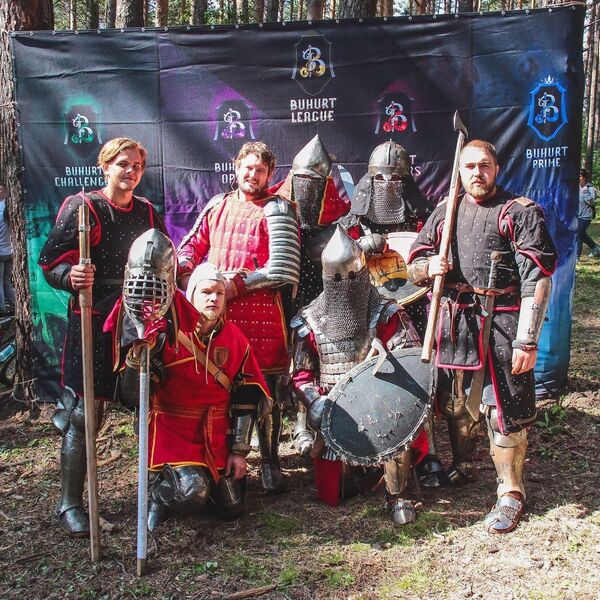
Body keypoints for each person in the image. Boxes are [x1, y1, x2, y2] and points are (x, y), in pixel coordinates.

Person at [407, 139, 557, 533]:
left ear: (496, 168)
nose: (477, 172)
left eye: (484, 165)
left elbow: (538, 280)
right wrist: (428, 267)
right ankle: (464, 466)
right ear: (460, 171)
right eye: (469, 166)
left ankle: (511, 492)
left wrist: (527, 340)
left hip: (503, 324)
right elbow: (414, 262)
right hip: (455, 322)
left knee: (502, 411)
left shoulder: (519, 212)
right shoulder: (447, 211)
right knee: (456, 403)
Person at [38, 137, 166, 537]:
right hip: (93, 318)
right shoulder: (83, 207)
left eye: (137, 166)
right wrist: (71, 276)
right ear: (106, 166)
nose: (130, 171)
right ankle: (70, 503)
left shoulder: (147, 212)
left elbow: (163, 260)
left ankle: (158, 492)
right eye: (123, 164)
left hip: (137, 321)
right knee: (85, 414)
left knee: (148, 403)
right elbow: (49, 263)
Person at [177, 141, 301, 493]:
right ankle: (221, 458)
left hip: (261, 312)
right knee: (220, 387)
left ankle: (271, 460)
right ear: (236, 168)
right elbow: (192, 245)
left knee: (267, 389)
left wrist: (235, 285)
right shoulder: (218, 205)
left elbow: (282, 268)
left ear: (270, 174)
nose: (253, 175)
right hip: (219, 314)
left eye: (260, 170)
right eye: (248, 168)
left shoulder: (278, 208)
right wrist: (187, 274)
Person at [114, 260, 271, 530]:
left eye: (219, 293)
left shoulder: (235, 339)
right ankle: (158, 493)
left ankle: (199, 483)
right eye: (206, 292)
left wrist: (239, 452)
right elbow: (132, 395)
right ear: (191, 295)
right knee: (192, 491)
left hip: (215, 435)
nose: (214, 298)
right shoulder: (165, 334)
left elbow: (246, 396)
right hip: (172, 432)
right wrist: (137, 359)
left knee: (232, 506)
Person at [291, 225, 428, 525]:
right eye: (339, 278)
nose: (347, 283)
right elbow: (301, 375)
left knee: (395, 431)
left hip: (382, 406)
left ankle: (398, 496)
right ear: (327, 278)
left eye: (353, 276)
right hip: (336, 412)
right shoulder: (310, 319)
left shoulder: (387, 312)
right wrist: (317, 404)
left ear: (364, 273)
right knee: (337, 489)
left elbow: (410, 363)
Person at [340, 141, 445, 487]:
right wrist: (359, 247)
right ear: (370, 180)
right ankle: (371, 449)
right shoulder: (353, 222)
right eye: (381, 178)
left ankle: (427, 455)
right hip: (366, 310)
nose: (388, 184)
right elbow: (334, 261)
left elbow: (434, 256)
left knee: (419, 374)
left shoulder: (422, 218)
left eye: (395, 178)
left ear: (405, 181)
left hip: (413, 306)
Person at [269, 135, 350, 456]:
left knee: (309, 362)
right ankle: (273, 429)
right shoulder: (277, 212)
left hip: (320, 297)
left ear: (326, 184)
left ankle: (305, 423)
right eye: (301, 180)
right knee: (278, 363)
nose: (307, 188)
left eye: (314, 182)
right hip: (281, 296)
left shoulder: (338, 220)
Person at [0, 183, 16, 315]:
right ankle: (15, 304)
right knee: (6, 282)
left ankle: (2, 308)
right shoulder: (11, 207)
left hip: (1, 252)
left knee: (1, 282)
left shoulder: (2, 208)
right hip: (10, 251)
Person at [577, 168, 599, 259]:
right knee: (582, 234)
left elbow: (591, 202)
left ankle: (576, 257)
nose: (578, 177)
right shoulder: (577, 187)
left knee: (578, 233)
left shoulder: (589, 187)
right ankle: (595, 249)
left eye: (580, 176)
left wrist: (585, 191)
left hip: (586, 215)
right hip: (578, 215)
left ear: (584, 177)